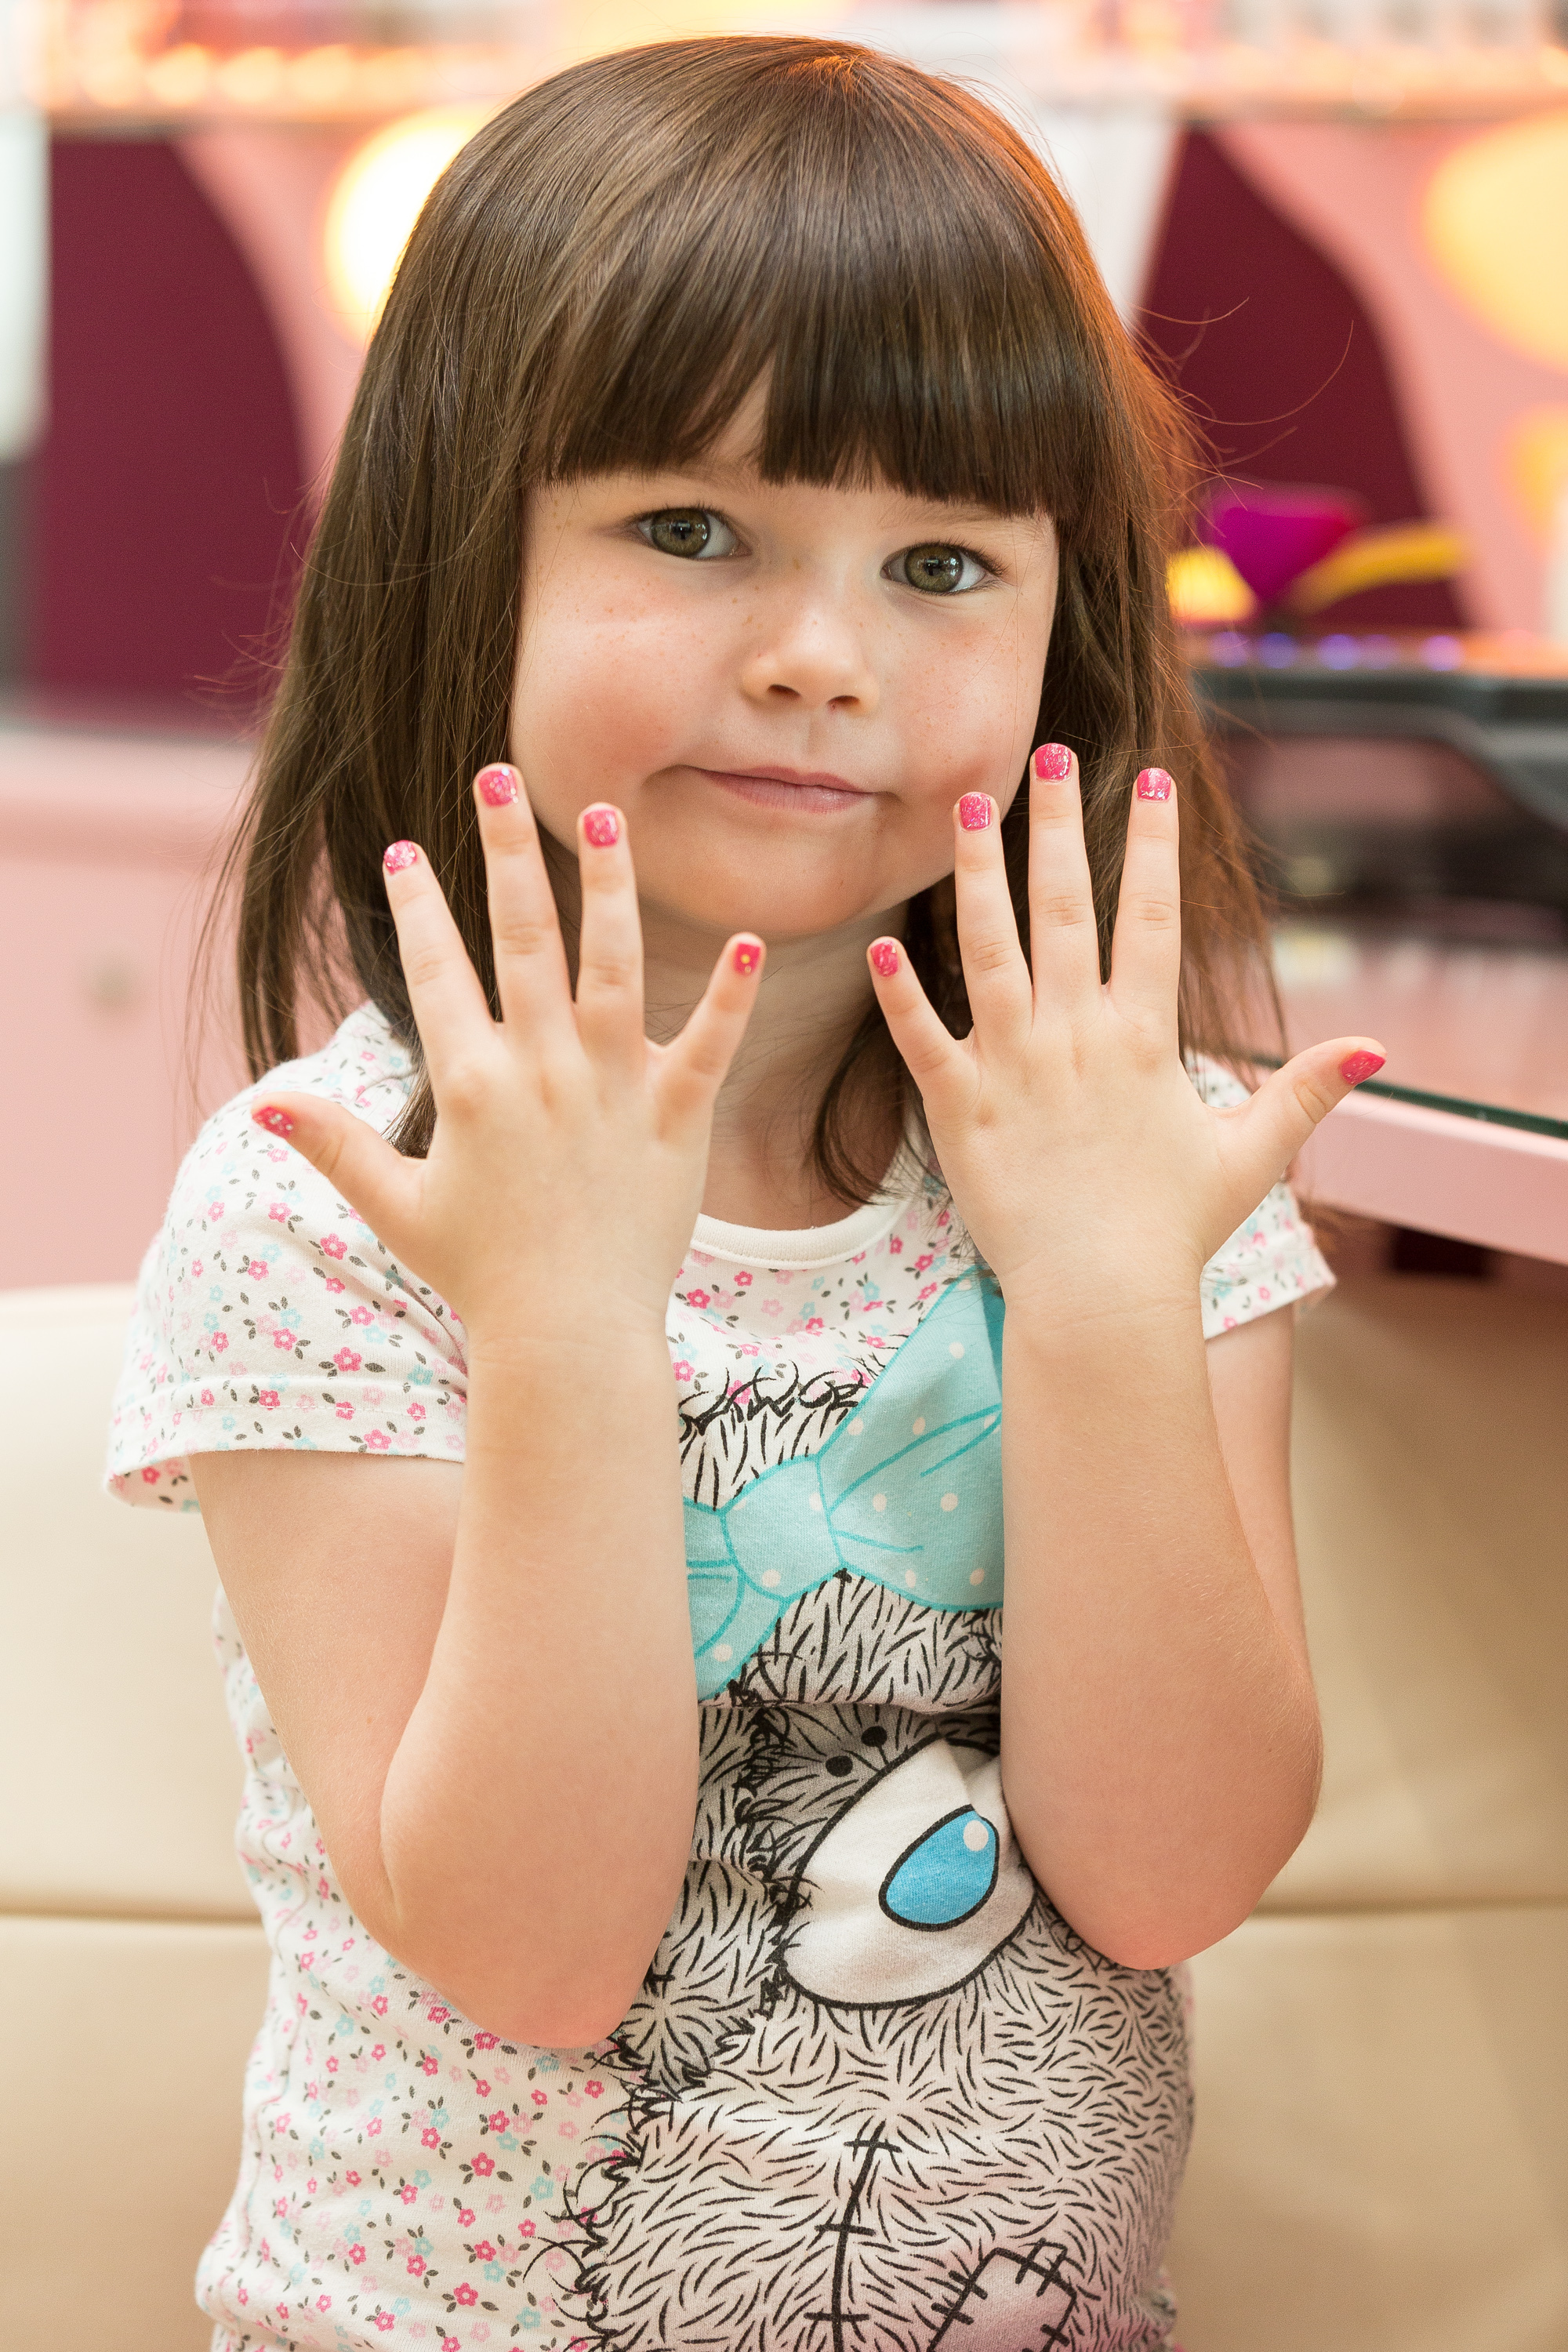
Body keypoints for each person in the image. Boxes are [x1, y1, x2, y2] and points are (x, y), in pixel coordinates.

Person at [108, 35, 1385, 2352]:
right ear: (455, 548)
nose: (820, 654)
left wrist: (1104, 1286)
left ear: (1059, 627)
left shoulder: (1143, 1154)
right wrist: (575, 1320)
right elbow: (532, 1943)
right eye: (692, 530)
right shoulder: (339, 1197)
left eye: (939, 562)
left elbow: (1177, 1865)